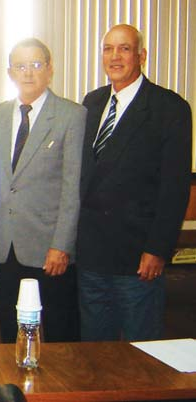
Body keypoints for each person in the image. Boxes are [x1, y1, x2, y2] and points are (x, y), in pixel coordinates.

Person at [77, 24, 192, 341]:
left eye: (124, 48)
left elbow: (174, 189)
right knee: (94, 351)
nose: (115, 56)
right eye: (108, 48)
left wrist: (157, 249)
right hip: (91, 255)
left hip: (136, 258)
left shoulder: (169, 108)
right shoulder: (92, 103)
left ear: (141, 55)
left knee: (139, 355)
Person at [0, 38, 86, 343]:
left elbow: (72, 188)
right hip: (7, 246)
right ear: (10, 72)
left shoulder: (72, 115)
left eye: (36, 64)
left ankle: (59, 392)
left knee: (59, 334)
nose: (28, 73)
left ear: (50, 69)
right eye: (20, 66)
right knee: (10, 331)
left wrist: (62, 246)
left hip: (49, 249)